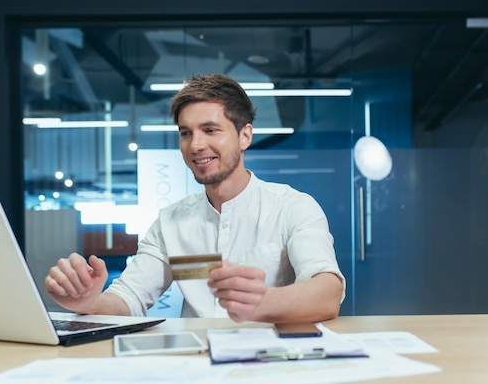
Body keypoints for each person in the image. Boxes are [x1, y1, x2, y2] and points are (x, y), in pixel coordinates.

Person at [45, 74, 345, 324]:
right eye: (186, 133)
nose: (196, 145)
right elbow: (129, 297)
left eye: (210, 130)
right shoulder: (171, 222)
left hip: (271, 364)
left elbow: (328, 292)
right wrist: (87, 303)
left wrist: (264, 302)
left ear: (245, 136)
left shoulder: (292, 207)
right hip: (195, 365)